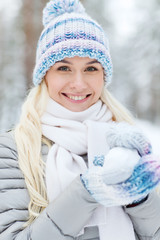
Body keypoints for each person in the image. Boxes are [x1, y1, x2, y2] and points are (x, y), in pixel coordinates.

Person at [0, 0, 160, 239]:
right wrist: (87, 191)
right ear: (45, 76)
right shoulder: (13, 149)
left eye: (91, 69)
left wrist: (138, 196)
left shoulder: (124, 140)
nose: (79, 83)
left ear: (103, 76)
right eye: (64, 68)